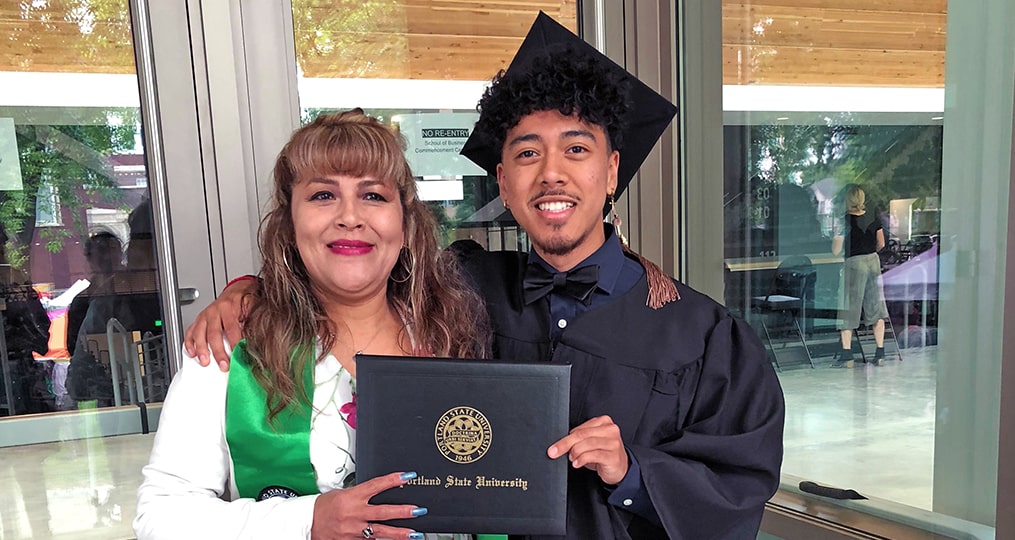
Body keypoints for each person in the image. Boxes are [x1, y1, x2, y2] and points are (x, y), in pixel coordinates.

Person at [186, 14, 784, 540]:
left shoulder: (701, 336)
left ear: (612, 171)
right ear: (503, 181)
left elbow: (740, 487)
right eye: (527, 153)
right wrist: (249, 293)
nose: (551, 174)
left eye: (576, 150)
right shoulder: (462, 287)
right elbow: (350, 267)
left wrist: (633, 471)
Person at [135, 110, 489, 540]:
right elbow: (160, 518)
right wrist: (308, 520)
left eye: (373, 196)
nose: (350, 216)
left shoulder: (451, 335)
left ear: (405, 221)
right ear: (290, 223)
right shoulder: (231, 349)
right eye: (323, 195)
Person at [831, 184, 889, 367]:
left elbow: (836, 250)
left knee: (849, 306)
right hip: (873, 261)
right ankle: (880, 352)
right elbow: (881, 243)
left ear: (847, 200)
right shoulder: (873, 218)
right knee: (876, 306)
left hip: (854, 263)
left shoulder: (843, 221)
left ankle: (847, 355)